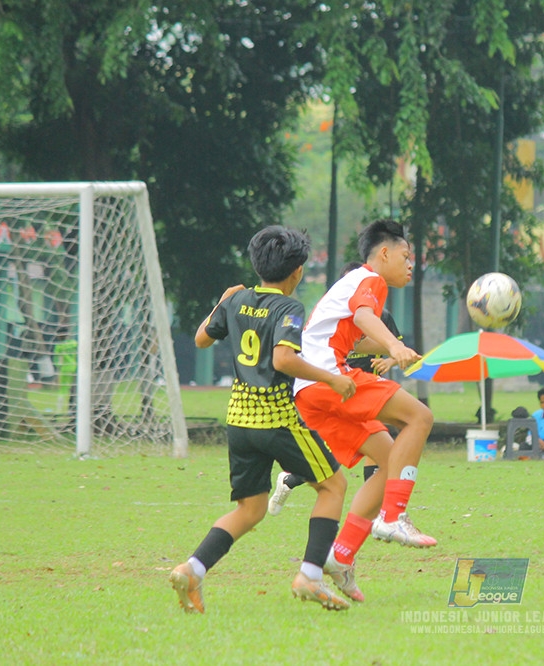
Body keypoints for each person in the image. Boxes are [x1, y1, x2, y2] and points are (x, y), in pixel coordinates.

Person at [169, 226, 356, 614]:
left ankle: (193, 569)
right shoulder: (289, 308)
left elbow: (202, 338)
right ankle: (309, 575)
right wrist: (333, 378)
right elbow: (284, 360)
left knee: (250, 509)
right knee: (334, 485)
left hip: (238, 421)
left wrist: (221, 304)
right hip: (275, 418)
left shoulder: (236, 299)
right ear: (298, 272)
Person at [290, 219, 436, 603]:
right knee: (420, 417)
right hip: (331, 380)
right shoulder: (370, 279)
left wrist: (393, 347)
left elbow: (353, 333)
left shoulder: (352, 283)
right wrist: (393, 344)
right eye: (406, 256)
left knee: (389, 461)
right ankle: (393, 518)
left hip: (309, 391)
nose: (410, 264)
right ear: (384, 253)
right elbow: (363, 318)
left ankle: (340, 557)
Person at [268, 261, 400, 513]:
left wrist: (392, 355)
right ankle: (292, 478)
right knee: (336, 455)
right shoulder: (333, 315)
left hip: (360, 383)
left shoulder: (381, 316)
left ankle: (378, 511)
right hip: (335, 385)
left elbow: (394, 343)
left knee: (380, 449)